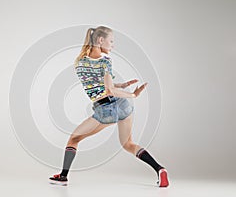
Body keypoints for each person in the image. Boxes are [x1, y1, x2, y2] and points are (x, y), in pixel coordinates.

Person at [49, 26, 169, 187]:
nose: (113, 45)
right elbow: (108, 89)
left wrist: (123, 86)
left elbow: (101, 88)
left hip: (105, 110)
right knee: (129, 144)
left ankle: (63, 176)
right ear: (100, 40)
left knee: (74, 139)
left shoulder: (79, 62)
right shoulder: (106, 61)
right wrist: (132, 95)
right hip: (123, 106)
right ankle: (159, 169)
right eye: (111, 41)